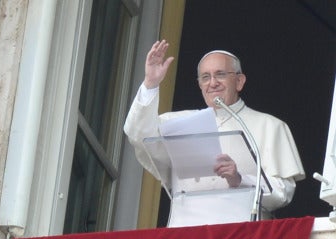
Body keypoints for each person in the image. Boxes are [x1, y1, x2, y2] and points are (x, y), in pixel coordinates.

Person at [124, 40, 305, 227]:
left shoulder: (270, 126)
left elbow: (283, 194)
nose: (212, 83)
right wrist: (151, 84)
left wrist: (240, 179)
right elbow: (137, 133)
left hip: (241, 233)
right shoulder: (175, 123)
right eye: (205, 77)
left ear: (239, 81)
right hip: (185, 232)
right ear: (200, 84)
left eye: (220, 74)